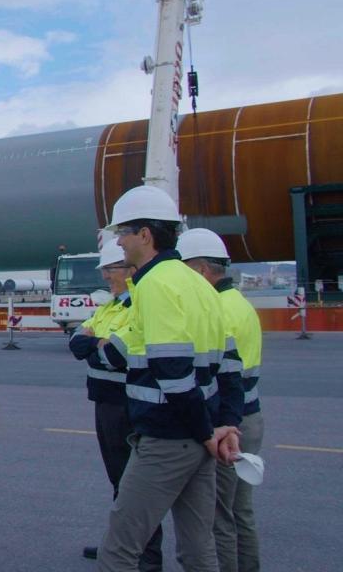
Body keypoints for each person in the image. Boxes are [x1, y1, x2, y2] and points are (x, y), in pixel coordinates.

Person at [96, 186, 240, 572]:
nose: (119, 243)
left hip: (168, 438)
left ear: (145, 235)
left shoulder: (156, 286)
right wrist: (224, 425)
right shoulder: (198, 283)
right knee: (198, 547)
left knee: (119, 549)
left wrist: (207, 432)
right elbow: (229, 364)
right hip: (201, 433)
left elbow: (173, 376)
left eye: (122, 233)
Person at [68, 240, 162, 570]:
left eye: (110, 269)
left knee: (133, 485)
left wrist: (97, 345)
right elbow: (76, 342)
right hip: (106, 404)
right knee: (119, 482)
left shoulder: (138, 304)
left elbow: (115, 354)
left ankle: (146, 559)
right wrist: (97, 343)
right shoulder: (110, 306)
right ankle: (120, 543)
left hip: (128, 404)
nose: (106, 276)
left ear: (129, 270)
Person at [177, 228, 262, 572]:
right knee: (240, 511)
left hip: (230, 422)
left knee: (218, 517)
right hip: (250, 415)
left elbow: (217, 379)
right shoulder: (239, 303)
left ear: (199, 271)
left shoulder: (217, 309)